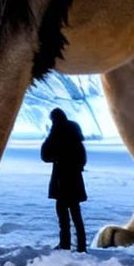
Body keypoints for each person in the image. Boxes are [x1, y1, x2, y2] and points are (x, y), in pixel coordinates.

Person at [40, 108, 87, 252]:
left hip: (61, 180)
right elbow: (82, 159)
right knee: (76, 215)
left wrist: (50, 137)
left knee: (63, 216)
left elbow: (45, 155)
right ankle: (81, 246)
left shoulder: (56, 135)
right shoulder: (75, 137)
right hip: (74, 181)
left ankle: (65, 244)